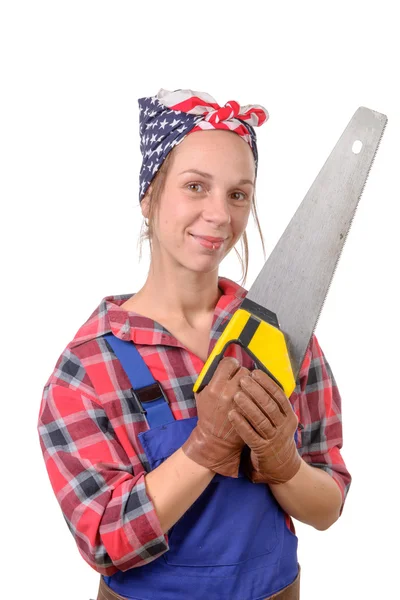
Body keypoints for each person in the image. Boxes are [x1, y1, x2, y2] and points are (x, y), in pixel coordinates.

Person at [38, 88, 351, 600]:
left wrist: (282, 462)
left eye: (237, 194)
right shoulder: (89, 366)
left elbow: (328, 505)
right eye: (195, 186)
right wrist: (205, 447)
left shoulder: (283, 335)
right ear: (149, 195)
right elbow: (103, 541)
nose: (219, 215)